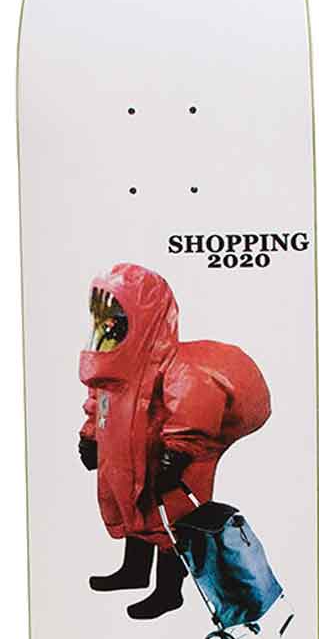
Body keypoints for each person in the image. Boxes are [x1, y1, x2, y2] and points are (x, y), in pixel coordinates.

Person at [79, 263, 270, 619]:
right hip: (132, 451)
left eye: (118, 316)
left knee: (171, 518)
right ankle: (134, 572)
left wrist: (177, 454)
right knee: (132, 503)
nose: (109, 327)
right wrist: (91, 435)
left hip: (174, 455)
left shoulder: (179, 368)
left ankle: (169, 592)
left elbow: (191, 406)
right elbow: (100, 402)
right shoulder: (116, 368)